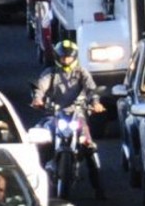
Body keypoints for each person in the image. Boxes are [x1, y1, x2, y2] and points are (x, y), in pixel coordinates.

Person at [31, 40, 106, 200]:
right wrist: (38, 99)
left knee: (89, 146)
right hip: (55, 114)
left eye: (69, 57)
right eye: (63, 57)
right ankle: (33, 181)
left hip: (77, 115)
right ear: (57, 57)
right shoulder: (50, 73)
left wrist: (95, 102)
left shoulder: (82, 73)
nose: (66, 60)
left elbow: (91, 89)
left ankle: (99, 188)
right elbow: (40, 87)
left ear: (75, 57)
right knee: (39, 140)